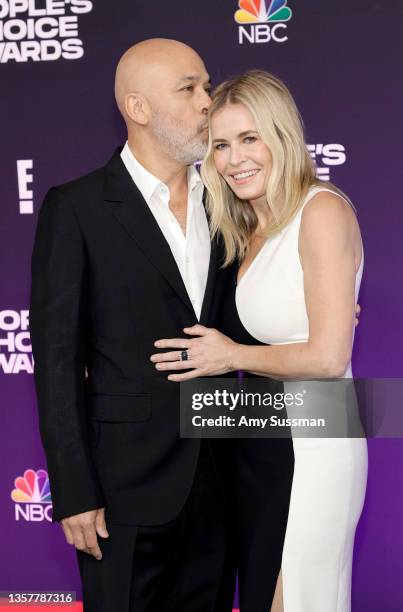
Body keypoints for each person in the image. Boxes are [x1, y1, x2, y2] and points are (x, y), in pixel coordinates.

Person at [29, 39, 236, 611]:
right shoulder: (78, 208)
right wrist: (74, 493)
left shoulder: (227, 203)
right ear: (138, 108)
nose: (207, 102)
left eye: (206, 86)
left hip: (221, 478)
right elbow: (57, 362)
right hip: (123, 489)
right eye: (188, 88)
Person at [150, 70, 368, 612]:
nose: (233, 158)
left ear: (283, 138)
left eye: (250, 138)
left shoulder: (321, 210)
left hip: (317, 440)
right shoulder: (247, 229)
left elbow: (327, 356)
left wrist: (232, 354)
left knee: (300, 600)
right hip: (265, 435)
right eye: (220, 144)